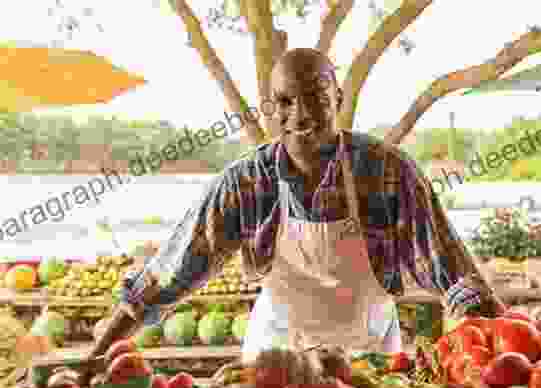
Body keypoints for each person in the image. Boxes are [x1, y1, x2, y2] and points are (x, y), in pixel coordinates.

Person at [109, 48, 506, 362]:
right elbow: (170, 273)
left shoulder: (387, 172)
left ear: (338, 97)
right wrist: (100, 351)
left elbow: (454, 275)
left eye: (314, 97)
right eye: (284, 101)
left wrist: (504, 349)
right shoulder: (246, 182)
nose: (298, 115)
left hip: (371, 361)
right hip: (275, 358)